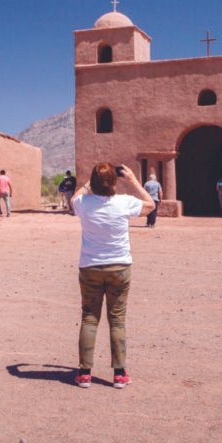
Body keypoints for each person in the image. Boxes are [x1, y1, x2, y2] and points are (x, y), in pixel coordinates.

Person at [70, 163, 155, 389]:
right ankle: (119, 373)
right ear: (114, 183)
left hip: (90, 267)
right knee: (117, 320)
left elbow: (74, 198)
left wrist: (91, 182)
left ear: (94, 183)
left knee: (89, 318)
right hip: (119, 267)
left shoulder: (83, 203)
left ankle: (84, 373)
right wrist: (133, 180)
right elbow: (151, 205)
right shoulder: (124, 202)